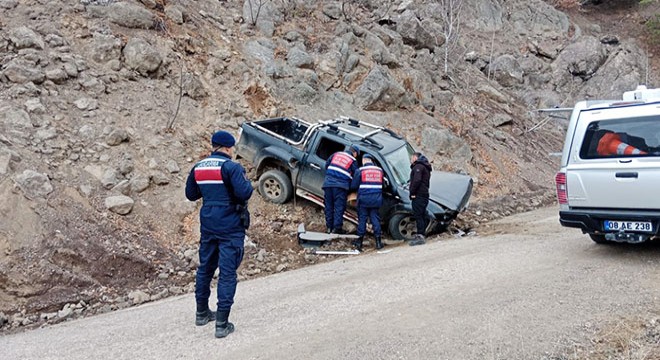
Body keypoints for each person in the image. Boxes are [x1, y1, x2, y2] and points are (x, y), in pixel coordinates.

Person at [185, 130, 253, 339]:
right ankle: (222, 324)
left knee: (205, 268)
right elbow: (245, 192)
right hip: (230, 225)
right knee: (227, 272)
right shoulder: (231, 167)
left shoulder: (198, 167)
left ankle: (201, 313)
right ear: (227, 148)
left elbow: (191, 194)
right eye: (232, 148)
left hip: (208, 224)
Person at [350, 154, 385, 251]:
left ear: (364, 160)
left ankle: (359, 242)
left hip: (364, 200)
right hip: (376, 200)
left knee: (362, 220)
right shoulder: (379, 171)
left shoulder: (360, 171)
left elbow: (353, 186)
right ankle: (378, 242)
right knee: (375, 219)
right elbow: (383, 184)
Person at [323, 144, 359, 234]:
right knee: (339, 207)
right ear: (354, 153)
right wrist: (352, 188)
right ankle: (337, 229)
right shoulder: (353, 160)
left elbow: (327, 165)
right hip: (340, 186)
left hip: (328, 184)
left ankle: (329, 228)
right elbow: (356, 176)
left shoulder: (336, 154)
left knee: (329, 206)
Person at [408, 152, 432, 246]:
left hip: (419, 194)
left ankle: (420, 235)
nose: (410, 160)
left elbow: (417, 180)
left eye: (411, 158)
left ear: (415, 157)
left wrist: (412, 192)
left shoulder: (418, 167)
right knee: (422, 213)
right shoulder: (424, 166)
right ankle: (422, 233)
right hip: (424, 193)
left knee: (418, 214)